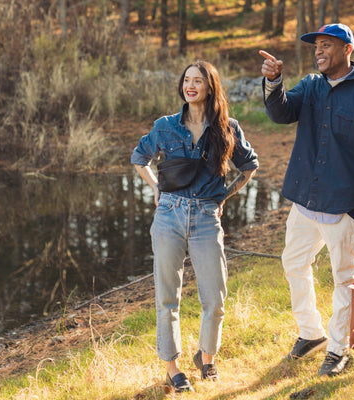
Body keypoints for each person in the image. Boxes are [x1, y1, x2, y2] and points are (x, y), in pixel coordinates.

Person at [259, 23, 354, 377]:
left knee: (345, 279)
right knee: (293, 263)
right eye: (316, 46)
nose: (318, 51)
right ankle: (311, 332)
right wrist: (274, 82)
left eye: (326, 45)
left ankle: (338, 349)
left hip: (343, 205)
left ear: (348, 49)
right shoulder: (310, 86)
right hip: (305, 198)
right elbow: (281, 113)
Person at [131, 60, 259, 392]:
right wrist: (156, 190)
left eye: (198, 81)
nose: (190, 86)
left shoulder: (227, 128)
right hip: (169, 216)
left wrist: (224, 197)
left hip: (206, 218)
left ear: (209, 87)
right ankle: (173, 368)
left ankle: (206, 357)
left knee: (214, 297)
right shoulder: (165, 126)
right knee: (167, 296)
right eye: (186, 80)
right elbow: (138, 158)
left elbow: (249, 167)